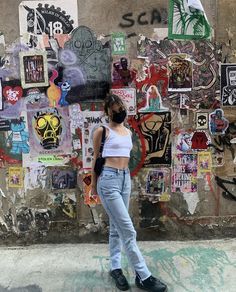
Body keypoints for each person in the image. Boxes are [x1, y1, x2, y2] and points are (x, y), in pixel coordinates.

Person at [91, 94, 168, 292]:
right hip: (108, 180)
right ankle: (144, 276)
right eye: (115, 110)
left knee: (117, 228)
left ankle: (115, 268)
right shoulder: (102, 131)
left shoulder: (127, 131)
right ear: (107, 111)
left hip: (125, 179)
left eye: (121, 108)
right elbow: (95, 160)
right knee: (128, 230)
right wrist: (93, 186)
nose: (119, 112)